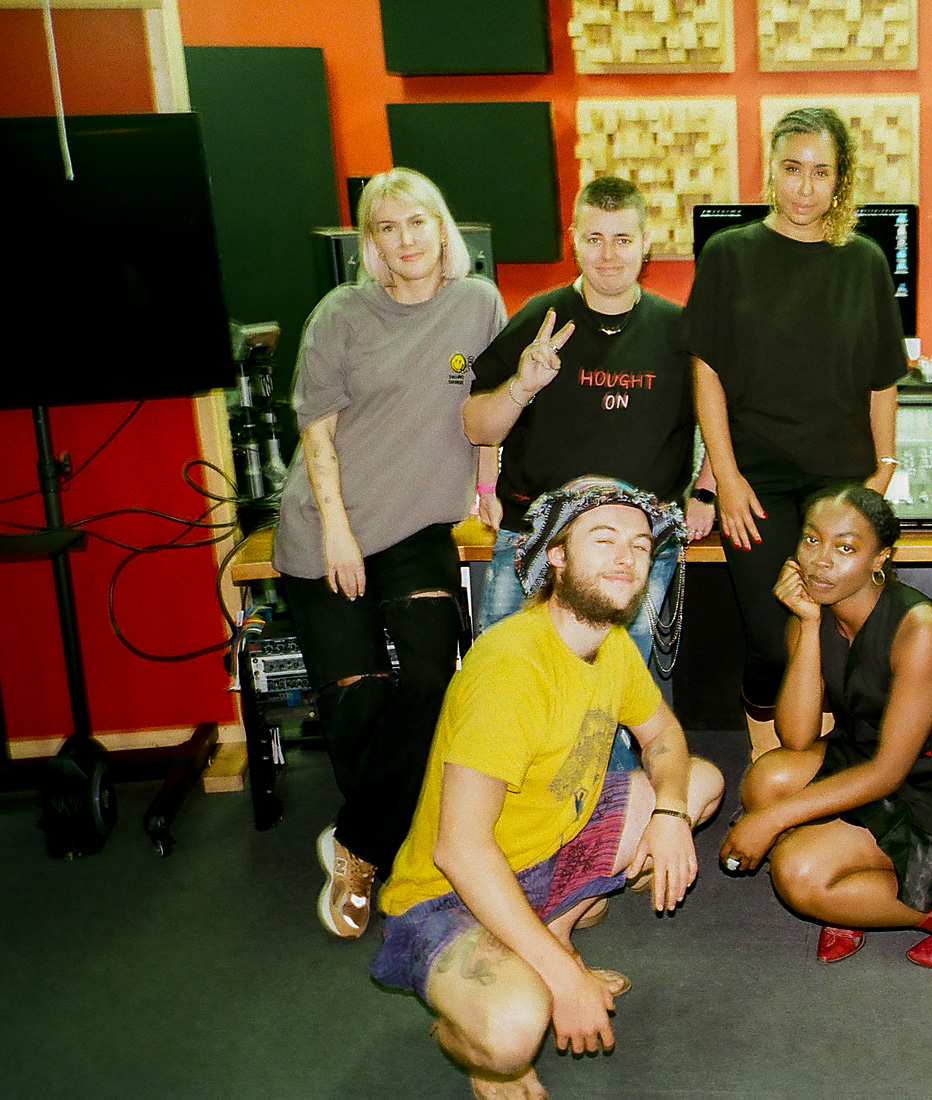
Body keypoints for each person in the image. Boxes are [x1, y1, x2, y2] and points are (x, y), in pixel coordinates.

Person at [370, 477, 724, 1100]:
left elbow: (664, 737)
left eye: (641, 546)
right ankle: (472, 1039)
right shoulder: (511, 669)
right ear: (555, 556)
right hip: (449, 892)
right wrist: (563, 980)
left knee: (697, 784)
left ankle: (551, 930)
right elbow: (460, 850)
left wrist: (668, 813)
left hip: (548, 850)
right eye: (604, 539)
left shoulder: (609, 645)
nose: (628, 558)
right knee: (512, 1033)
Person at [273, 167, 506, 940]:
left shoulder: (478, 305)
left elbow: (490, 407)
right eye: (387, 228)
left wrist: (487, 488)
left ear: (443, 228)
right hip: (327, 527)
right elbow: (316, 431)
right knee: (359, 697)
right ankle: (387, 849)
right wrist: (337, 529)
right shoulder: (339, 314)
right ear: (370, 243)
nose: (406, 240)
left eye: (418, 223)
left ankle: (355, 844)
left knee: (437, 682)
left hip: (416, 531)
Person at [464, 175, 714, 773]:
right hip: (533, 542)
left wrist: (706, 486)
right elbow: (477, 424)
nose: (609, 254)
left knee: (617, 706)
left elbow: (728, 418)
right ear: (574, 239)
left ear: (647, 245)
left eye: (623, 239)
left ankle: (608, 838)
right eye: (595, 238)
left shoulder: (680, 332)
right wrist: (523, 383)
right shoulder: (538, 317)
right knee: (503, 691)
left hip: (638, 549)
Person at [682, 106, 910, 760]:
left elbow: (881, 381)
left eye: (820, 173)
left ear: (840, 182)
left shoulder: (863, 261)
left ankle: (825, 768)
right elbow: (707, 374)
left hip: (843, 481)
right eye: (791, 169)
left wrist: (884, 471)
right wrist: (724, 477)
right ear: (770, 172)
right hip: (758, 481)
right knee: (768, 630)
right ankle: (767, 759)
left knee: (841, 628)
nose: (804, 188)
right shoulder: (730, 255)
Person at [719, 487, 932, 969]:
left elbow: (889, 772)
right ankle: (853, 894)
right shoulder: (815, 610)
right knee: (768, 779)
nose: (821, 562)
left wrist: (773, 820)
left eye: (845, 548)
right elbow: (797, 738)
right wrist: (805, 625)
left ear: (880, 557)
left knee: (797, 873)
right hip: (864, 754)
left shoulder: (920, 628)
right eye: (811, 540)